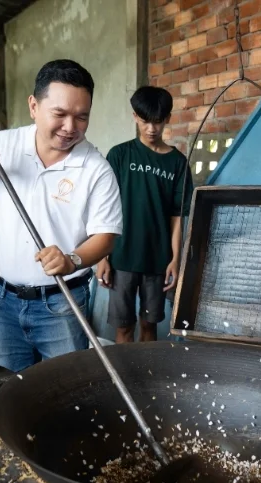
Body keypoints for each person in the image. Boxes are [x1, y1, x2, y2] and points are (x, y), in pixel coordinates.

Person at [0, 59, 123, 372]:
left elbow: (106, 236)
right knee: (11, 385)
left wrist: (72, 260)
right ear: (34, 106)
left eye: (81, 117)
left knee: (64, 386)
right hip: (4, 299)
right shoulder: (5, 144)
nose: (70, 127)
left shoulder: (96, 169)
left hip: (62, 303)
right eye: (60, 114)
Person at [96, 86, 192, 344]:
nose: (151, 128)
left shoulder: (178, 163)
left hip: (157, 261)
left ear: (167, 119)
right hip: (121, 257)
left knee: (150, 327)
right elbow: (104, 209)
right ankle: (124, 371)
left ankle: (145, 370)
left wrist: (176, 259)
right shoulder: (119, 155)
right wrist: (102, 257)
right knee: (123, 328)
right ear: (135, 116)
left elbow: (177, 216)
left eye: (158, 121)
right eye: (145, 120)